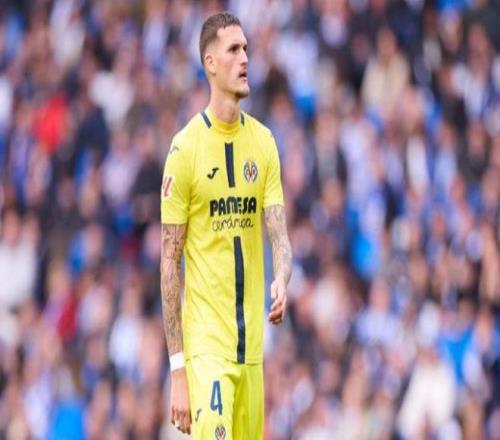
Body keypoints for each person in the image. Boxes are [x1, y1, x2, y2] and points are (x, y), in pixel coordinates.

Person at [159, 11, 292, 439]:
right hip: (207, 353)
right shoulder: (184, 151)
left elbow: (279, 235)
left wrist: (282, 278)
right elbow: (169, 264)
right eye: (234, 50)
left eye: (246, 49)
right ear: (211, 63)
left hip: (251, 352)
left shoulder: (264, 143)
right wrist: (178, 370)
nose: (245, 58)